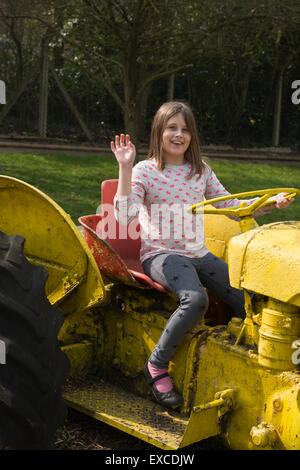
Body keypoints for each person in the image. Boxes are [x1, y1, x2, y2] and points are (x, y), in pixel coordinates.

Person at [110, 101, 293, 408]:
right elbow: (125, 217)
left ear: (192, 136)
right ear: (159, 132)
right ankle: (156, 365)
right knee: (195, 299)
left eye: (185, 129)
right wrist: (125, 167)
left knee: (247, 297)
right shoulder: (145, 171)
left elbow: (231, 207)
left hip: (198, 253)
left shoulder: (200, 171)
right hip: (161, 255)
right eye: (172, 128)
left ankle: (251, 360)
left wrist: (271, 203)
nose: (178, 134)